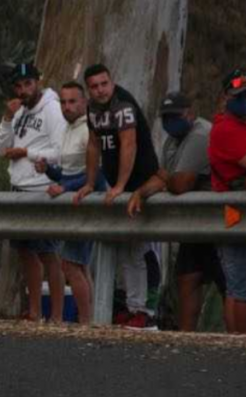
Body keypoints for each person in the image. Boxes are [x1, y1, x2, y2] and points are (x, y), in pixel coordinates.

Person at [74, 64, 165, 329]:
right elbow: (93, 145)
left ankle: (145, 311)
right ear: (88, 89)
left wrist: (121, 185)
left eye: (104, 84)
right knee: (126, 251)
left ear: (112, 82)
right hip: (120, 187)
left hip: (142, 182)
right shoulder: (93, 109)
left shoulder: (122, 104)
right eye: (94, 86)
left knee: (141, 251)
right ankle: (133, 308)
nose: (100, 90)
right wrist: (90, 182)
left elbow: (129, 143)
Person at [147, 92, 225, 331]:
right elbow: (162, 178)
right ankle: (186, 341)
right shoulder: (171, 142)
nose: (170, 122)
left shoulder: (200, 134)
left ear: (190, 113)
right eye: (166, 118)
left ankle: (236, 341)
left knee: (230, 285)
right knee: (187, 277)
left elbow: (180, 184)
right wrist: (143, 192)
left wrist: (165, 177)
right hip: (194, 224)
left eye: (175, 116)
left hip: (219, 222)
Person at [0, 63, 67, 322]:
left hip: (41, 189)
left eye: (28, 83)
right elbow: (0, 149)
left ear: (38, 82)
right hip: (18, 189)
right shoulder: (18, 111)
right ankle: (35, 313)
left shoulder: (52, 108)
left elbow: (60, 152)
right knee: (25, 253)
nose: (24, 90)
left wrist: (27, 152)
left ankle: (56, 317)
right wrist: (6, 118)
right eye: (19, 86)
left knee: (48, 254)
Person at [35, 81, 106, 323]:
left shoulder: (88, 130)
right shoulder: (68, 129)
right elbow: (67, 173)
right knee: (79, 265)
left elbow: (96, 174)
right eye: (63, 102)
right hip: (75, 205)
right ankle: (88, 321)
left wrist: (65, 187)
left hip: (86, 204)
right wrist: (48, 170)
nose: (67, 107)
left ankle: (85, 323)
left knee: (70, 265)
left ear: (84, 102)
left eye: (72, 101)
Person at [208, 70, 246, 334]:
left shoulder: (238, 127)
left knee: (238, 284)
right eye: (240, 96)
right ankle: (239, 341)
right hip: (234, 214)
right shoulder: (226, 129)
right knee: (240, 285)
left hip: (236, 211)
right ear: (226, 98)